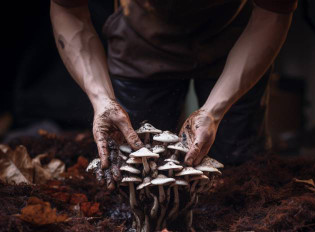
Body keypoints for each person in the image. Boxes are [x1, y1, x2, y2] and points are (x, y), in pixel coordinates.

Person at [50, 0, 297, 184]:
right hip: (140, 35)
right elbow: (69, 9)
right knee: (136, 172)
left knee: (239, 170)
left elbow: (272, 13)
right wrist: (101, 99)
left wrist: (213, 112)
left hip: (235, 34)